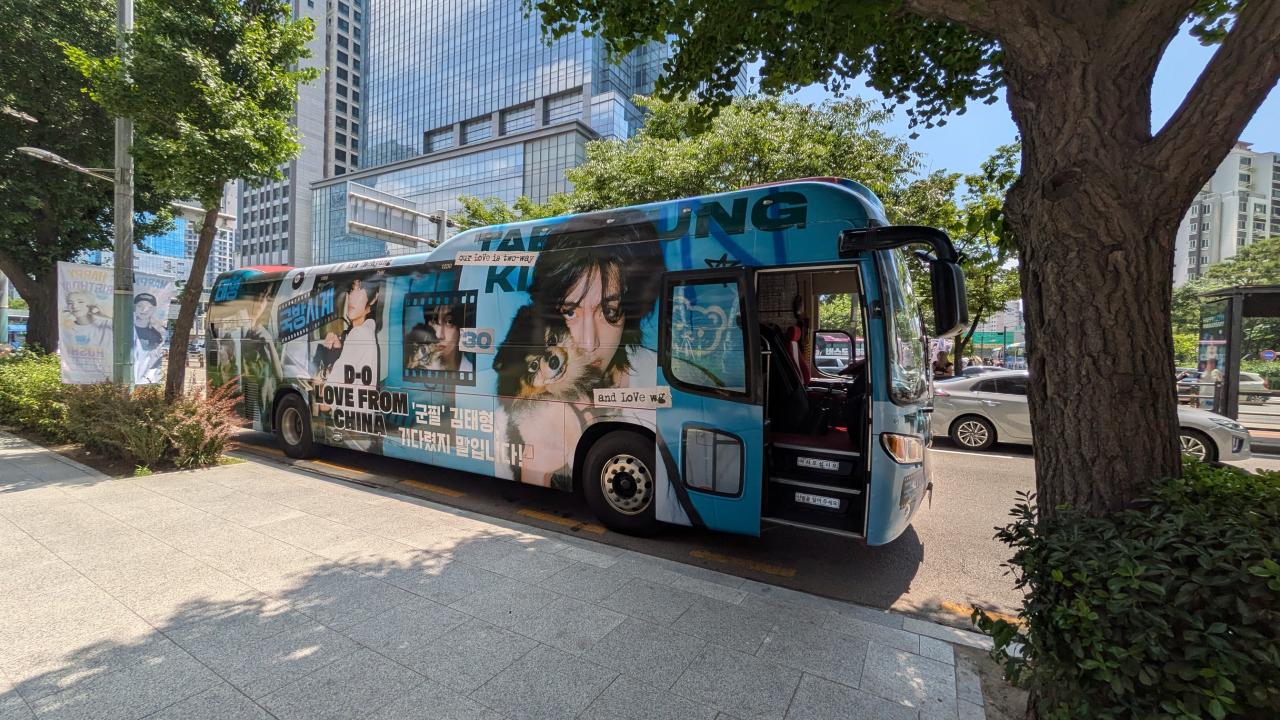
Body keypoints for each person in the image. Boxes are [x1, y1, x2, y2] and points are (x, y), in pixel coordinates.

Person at [132, 293, 166, 384]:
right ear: (134, 307)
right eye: (140, 306)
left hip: (145, 377)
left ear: (154, 310)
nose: (144, 310)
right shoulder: (126, 330)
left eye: (149, 307)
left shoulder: (156, 336)